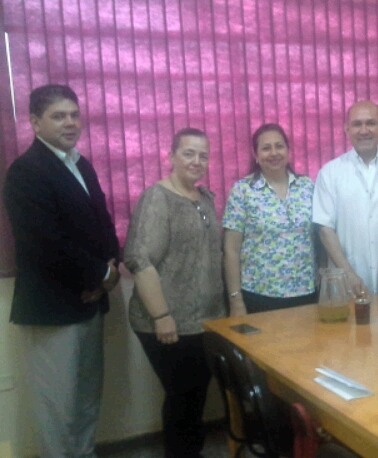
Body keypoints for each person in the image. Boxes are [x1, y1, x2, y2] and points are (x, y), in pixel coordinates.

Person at [3, 84, 120, 458]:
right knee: (57, 405)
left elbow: (102, 222)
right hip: (53, 308)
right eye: (58, 115)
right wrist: (98, 276)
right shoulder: (25, 172)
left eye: (74, 114)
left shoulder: (80, 163)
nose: (70, 122)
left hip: (90, 300)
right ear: (35, 122)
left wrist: (111, 271)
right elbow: (43, 242)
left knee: (87, 395)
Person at [125, 128, 228, 457]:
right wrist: (162, 315)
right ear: (170, 156)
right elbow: (140, 259)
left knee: (195, 395)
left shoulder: (206, 198)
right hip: (166, 320)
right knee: (182, 396)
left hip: (205, 320)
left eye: (203, 155)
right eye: (188, 153)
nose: (196, 161)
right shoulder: (158, 198)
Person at [313, 100, 378, 296]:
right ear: (346, 129)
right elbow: (324, 229)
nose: (364, 130)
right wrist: (347, 273)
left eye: (371, 123)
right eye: (357, 124)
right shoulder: (330, 173)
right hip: (346, 283)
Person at [223, 123, 317, 313]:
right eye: (266, 148)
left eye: (279, 146)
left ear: (288, 150)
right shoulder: (243, 190)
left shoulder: (307, 186)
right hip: (258, 295)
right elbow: (231, 250)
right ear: (256, 155)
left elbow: (320, 236)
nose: (274, 153)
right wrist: (235, 299)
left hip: (306, 292)